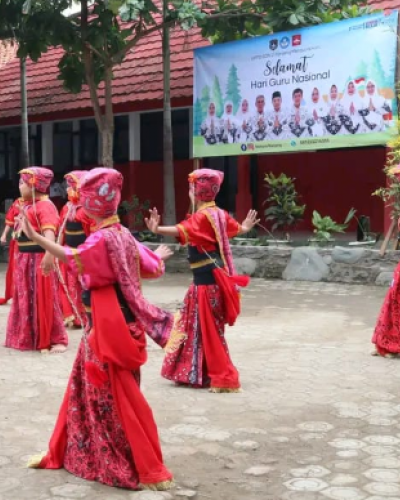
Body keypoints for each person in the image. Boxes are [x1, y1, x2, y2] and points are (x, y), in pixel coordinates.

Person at [23, 168, 175, 491]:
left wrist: (37, 239)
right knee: (117, 392)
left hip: (105, 330)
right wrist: (157, 255)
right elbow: (151, 267)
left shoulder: (100, 240)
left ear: (91, 205)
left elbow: (70, 255)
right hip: (122, 326)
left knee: (104, 394)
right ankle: (126, 452)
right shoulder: (124, 235)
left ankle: (114, 457)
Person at [146, 169, 259, 393]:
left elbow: (183, 230)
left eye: (191, 188)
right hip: (208, 280)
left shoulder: (202, 217)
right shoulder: (219, 214)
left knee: (208, 330)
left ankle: (224, 378)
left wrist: (157, 228)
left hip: (207, 284)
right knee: (195, 327)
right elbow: (235, 229)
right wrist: (245, 227)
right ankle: (193, 371)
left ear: (196, 192)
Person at [4, 167, 68, 353]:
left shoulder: (45, 206)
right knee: (26, 296)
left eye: (22, 183)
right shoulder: (27, 205)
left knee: (45, 296)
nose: (19, 186)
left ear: (33, 185)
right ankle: (28, 335)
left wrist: (49, 256)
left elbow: (50, 234)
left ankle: (55, 338)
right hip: (25, 259)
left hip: (39, 258)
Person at [57, 170, 92, 328]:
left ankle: (84, 317)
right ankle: (72, 316)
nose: (66, 190)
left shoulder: (87, 210)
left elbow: (91, 233)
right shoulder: (66, 208)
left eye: (70, 187)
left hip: (83, 254)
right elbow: (61, 230)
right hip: (68, 252)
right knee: (69, 286)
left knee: (83, 286)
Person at [0, 197, 22, 306]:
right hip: (17, 240)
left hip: (31, 241)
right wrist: (4, 235)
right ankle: (16, 294)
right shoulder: (17, 202)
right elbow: (10, 221)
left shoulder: (39, 203)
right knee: (15, 267)